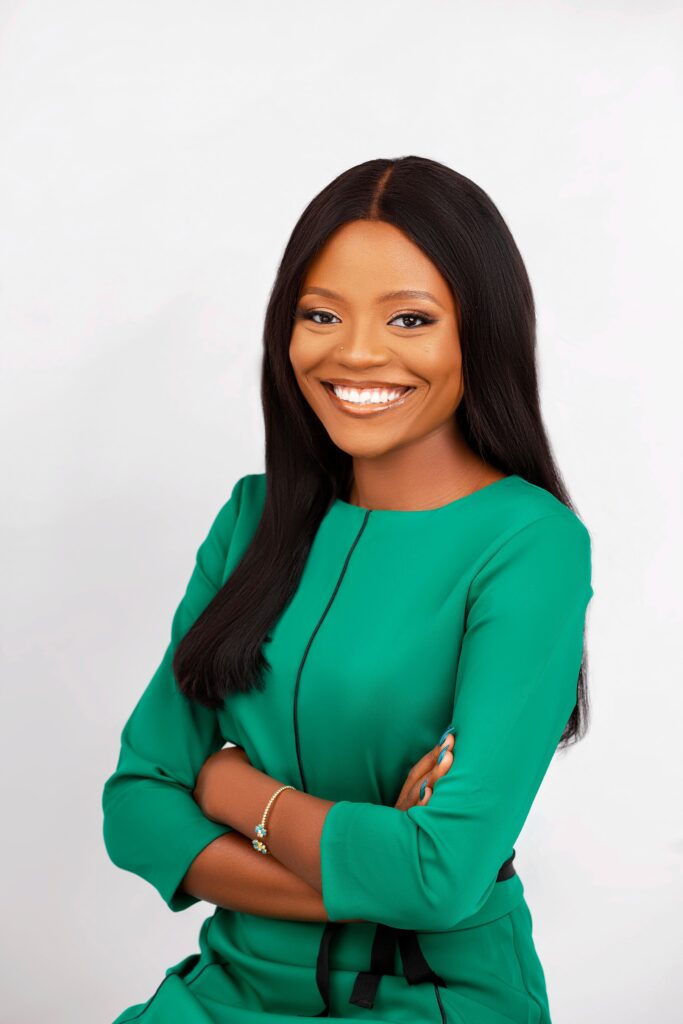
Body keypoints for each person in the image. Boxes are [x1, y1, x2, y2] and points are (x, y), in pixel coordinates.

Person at [101, 155, 594, 1023]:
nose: (356, 351)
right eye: (321, 314)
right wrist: (364, 875)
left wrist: (231, 791)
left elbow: (438, 880)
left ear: (479, 333)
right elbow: (137, 808)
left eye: (410, 318)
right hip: (232, 982)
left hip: (427, 991)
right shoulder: (252, 520)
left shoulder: (529, 543)